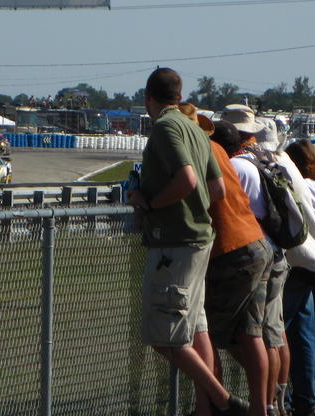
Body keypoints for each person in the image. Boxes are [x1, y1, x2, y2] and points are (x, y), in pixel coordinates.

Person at [128, 69, 249, 416]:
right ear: (179, 96)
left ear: (148, 97)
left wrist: (150, 202)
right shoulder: (196, 128)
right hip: (199, 240)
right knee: (197, 330)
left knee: (163, 335)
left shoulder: (166, 127)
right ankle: (205, 408)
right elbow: (217, 189)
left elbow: (188, 179)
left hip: (174, 243)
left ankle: (223, 401)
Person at [181, 113, 272, 416]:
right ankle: (262, 408)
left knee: (202, 332)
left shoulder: (194, 150)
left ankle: (211, 405)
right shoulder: (218, 149)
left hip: (230, 249)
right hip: (256, 242)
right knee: (251, 333)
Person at [219, 105, 290, 416]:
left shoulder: (237, 166)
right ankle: (273, 404)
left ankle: (262, 403)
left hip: (252, 253)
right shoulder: (260, 160)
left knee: (252, 334)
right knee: (272, 334)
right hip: (274, 250)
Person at [282, 140, 315, 416]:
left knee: (297, 334)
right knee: (307, 335)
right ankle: (306, 400)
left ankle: (293, 398)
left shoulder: (301, 187)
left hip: (309, 264)